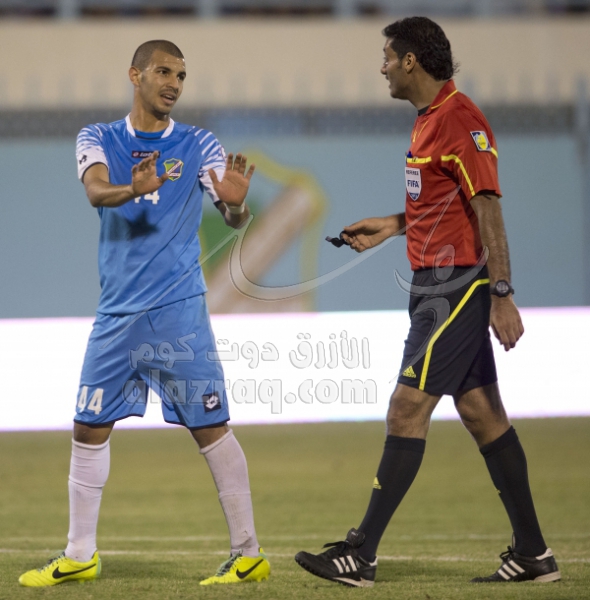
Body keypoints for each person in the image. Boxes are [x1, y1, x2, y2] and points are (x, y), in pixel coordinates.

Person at [295, 17, 559, 587]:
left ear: (410, 60)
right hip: (434, 284)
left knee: (405, 408)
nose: (383, 67)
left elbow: (489, 209)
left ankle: (360, 555)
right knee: (483, 415)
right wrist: (393, 225)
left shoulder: (461, 120)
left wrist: (502, 294)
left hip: (455, 288)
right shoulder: (429, 120)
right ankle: (534, 554)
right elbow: (446, 203)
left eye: (388, 57)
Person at [19, 40, 270, 588]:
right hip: (117, 314)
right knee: (88, 426)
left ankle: (248, 554)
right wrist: (130, 188)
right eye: (163, 71)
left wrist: (236, 205)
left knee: (211, 426)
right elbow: (94, 192)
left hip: (178, 311)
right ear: (135, 75)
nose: (174, 83)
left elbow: (232, 217)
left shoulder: (199, 143)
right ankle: (79, 554)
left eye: (181, 75)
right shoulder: (98, 137)